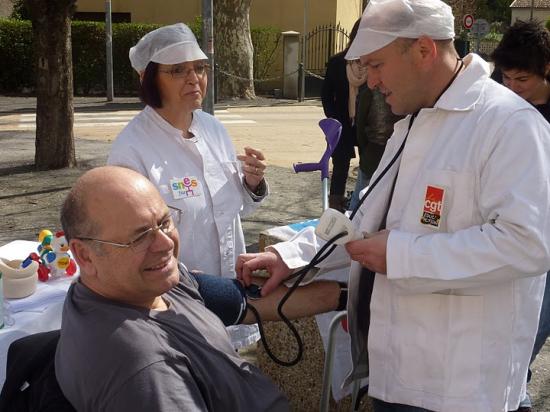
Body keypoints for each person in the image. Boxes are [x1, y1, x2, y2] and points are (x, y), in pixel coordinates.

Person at [236, 0, 550, 410]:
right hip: (392, 375)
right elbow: (365, 220)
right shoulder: (415, 121)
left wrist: (402, 255)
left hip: (460, 390)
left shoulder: (509, 124)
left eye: (377, 65)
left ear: (423, 50)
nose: (370, 82)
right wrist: (295, 256)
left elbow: (528, 244)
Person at [54, 166, 344, 411]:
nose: (166, 244)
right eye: (140, 236)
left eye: (165, 222)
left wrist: (349, 296)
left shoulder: (146, 286)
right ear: (85, 255)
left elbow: (244, 299)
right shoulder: (146, 370)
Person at [107, 23, 266, 349]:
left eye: (199, 68)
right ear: (148, 78)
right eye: (178, 70)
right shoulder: (131, 149)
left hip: (232, 296)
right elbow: (131, 242)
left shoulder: (213, 129)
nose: (194, 78)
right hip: (176, 308)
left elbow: (232, 207)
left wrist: (253, 182)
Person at [491, 19, 550, 412]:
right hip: (521, 235)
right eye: (506, 77)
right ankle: (515, 393)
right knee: (524, 326)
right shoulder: (502, 107)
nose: (512, 87)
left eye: (521, 79)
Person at [347, 66, 403, 211]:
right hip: (390, 150)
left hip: (375, 149)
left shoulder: (370, 92)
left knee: (359, 200)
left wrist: (364, 149)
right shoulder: (404, 90)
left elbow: (360, 127)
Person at [321, 20, 361, 212]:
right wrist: (333, 120)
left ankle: (363, 206)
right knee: (340, 167)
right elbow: (326, 94)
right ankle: (336, 208)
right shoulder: (338, 62)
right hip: (342, 123)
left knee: (369, 167)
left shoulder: (373, 63)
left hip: (366, 124)